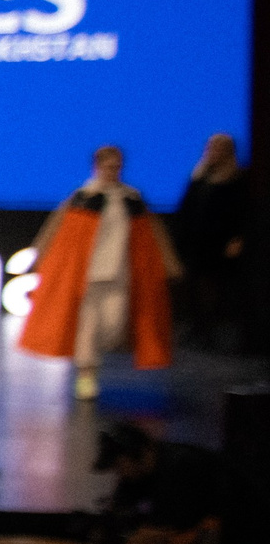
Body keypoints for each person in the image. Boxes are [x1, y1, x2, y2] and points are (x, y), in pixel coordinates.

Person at [19, 144, 182, 401]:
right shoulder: (83, 196)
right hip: (87, 274)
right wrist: (40, 256)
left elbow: (153, 231)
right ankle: (87, 374)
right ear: (97, 166)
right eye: (108, 166)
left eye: (116, 166)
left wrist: (168, 261)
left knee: (113, 324)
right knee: (88, 326)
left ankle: (91, 362)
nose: (112, 170)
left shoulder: (131, 198)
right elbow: (56, 228)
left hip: (121, 272)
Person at [96, 422, 227, 544]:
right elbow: (116, 513)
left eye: (119, 465)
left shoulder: (179, 468)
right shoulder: (137, 475)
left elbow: (151, 537)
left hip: (235, 542)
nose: (119, 473)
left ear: (142, 453)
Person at [172, 133, 246, 348]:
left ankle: (212, 330)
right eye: (211, 148)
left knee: (213, 287)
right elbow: (186, 209)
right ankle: (197, 327)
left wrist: (238, 238)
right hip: (196, 241)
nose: (213, 152)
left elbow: (242, 212)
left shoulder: (236, 180)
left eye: (219, 149)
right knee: (192, 285)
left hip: (220, 244)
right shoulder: (199, 178)